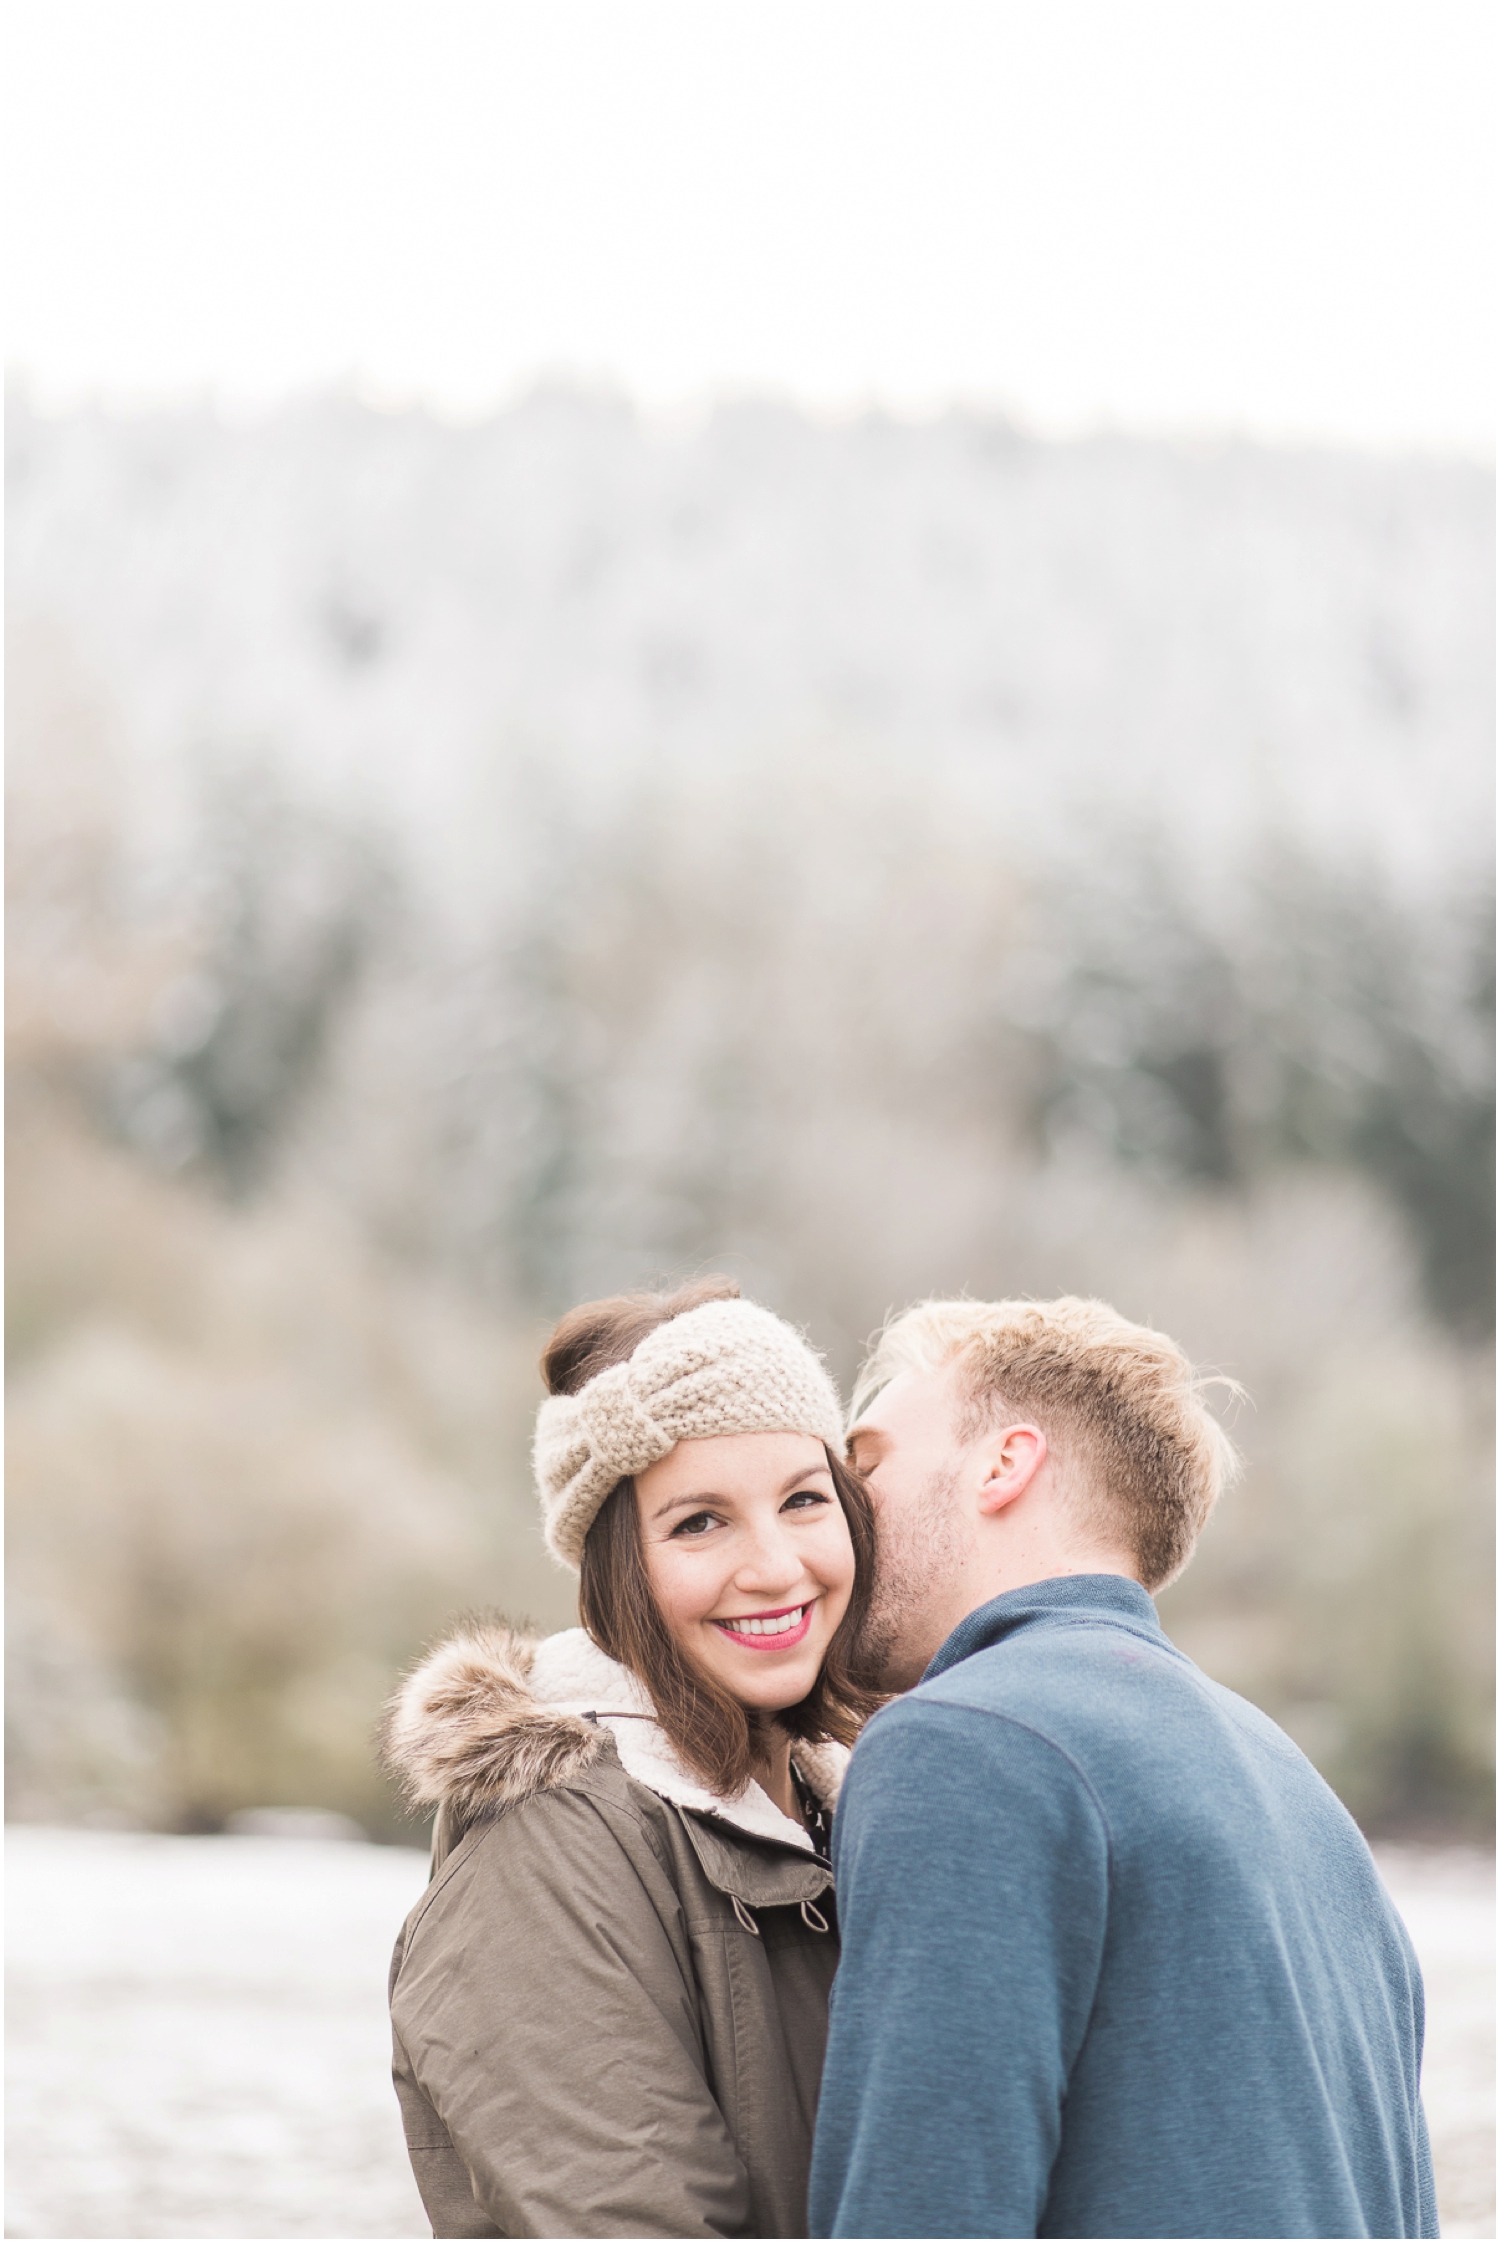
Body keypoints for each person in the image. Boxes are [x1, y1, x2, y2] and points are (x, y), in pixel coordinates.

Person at [809, 1295, 1437, 2242]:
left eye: (867, 1466)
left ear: (1003, 1463)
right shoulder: (1306, 1798)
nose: (835, 1521)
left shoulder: (967, 1742)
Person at [382, 1276, 879, 2240]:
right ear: (618, 1566)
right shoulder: (547, 1844)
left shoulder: (842, 1800)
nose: (776, 1565)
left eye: (804, 1499)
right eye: (700, 1521)